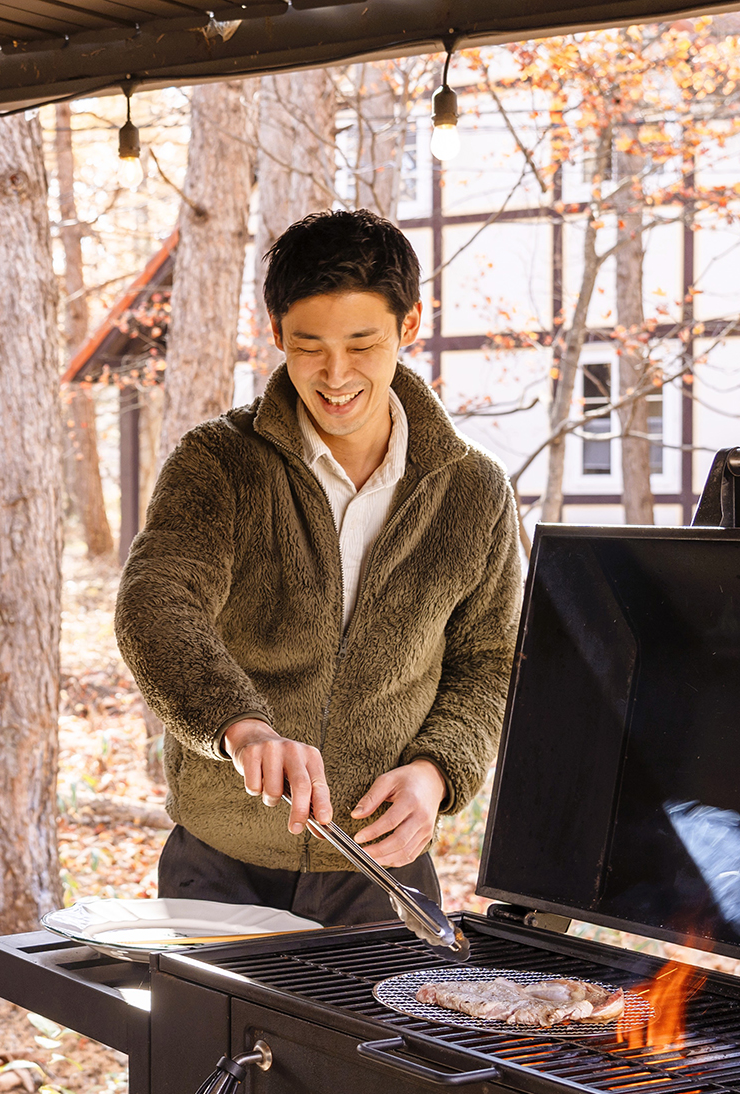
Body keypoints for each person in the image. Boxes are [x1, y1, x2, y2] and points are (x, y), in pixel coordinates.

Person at [114, 209, 522, 927]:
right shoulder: (217, 463)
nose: (336, 376)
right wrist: (243, 727)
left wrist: (436, 773)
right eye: (309, 347)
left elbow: (487, 662)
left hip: (382, 870)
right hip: (218, 864)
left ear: (409, 325)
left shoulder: (473, 490)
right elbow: (155, 605)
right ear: (277, 334)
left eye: (362, 343)